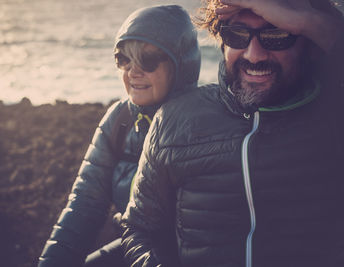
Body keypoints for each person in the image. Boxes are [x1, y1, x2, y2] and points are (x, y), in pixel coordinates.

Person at [122, 0, 344, 266]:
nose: (254, 55)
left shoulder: (333, 112)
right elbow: (140, 229)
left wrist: (314, 22)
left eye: (276, 35)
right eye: (237, 35)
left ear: (306, 43)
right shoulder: (174, 119)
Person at [38, 5, 200, 267]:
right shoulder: (120, 119)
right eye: (123, 59)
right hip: (133, 247)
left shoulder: (204, 124)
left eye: (147, 60)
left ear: (180, 65)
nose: (133, 71)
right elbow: (85, 203)